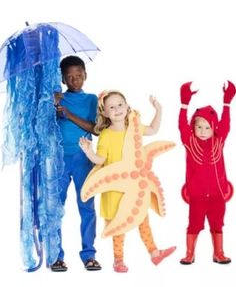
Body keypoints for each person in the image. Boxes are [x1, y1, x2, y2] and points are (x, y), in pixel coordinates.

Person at [79, 90, 176, 272]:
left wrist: (158, 110)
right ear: (105, 112)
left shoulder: (134, 126)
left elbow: (154, 130)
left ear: (127, 106)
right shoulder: (106, 135)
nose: (117, 109)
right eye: (112, 107)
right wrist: (88, 151)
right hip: (115, 188)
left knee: (142, 219)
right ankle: (118, 260)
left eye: (120, 104)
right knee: (118, 225)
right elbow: (100, 160)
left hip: (136, 185)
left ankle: (155, 253)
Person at [51, 55, 101, 272]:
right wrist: (52, 106)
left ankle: (89, 255)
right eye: (69, 77)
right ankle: (56, 256)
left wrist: (68, 114)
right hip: (58, 159)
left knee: (87, 207)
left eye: (78, 76)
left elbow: (94, 129)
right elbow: (44, 127)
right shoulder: (56, 97)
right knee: (54, 208)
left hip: (83, 158)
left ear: (85, 75)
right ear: (63, 78)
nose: (74, 80)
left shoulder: (91, 100)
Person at [178, 81, 236, 264]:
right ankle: (189, 253)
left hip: (218, 194)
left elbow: (225, 124)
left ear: (214, 128)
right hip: (197, 194)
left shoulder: (219, 140)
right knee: (194, 224)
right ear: (193, 127)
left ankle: (218, 253)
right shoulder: (189, 141)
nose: (203, 131)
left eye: (207, 127)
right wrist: (184, 104)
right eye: (199, 126)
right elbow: (182, 125)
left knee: (217, 224)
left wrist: (227, 103)